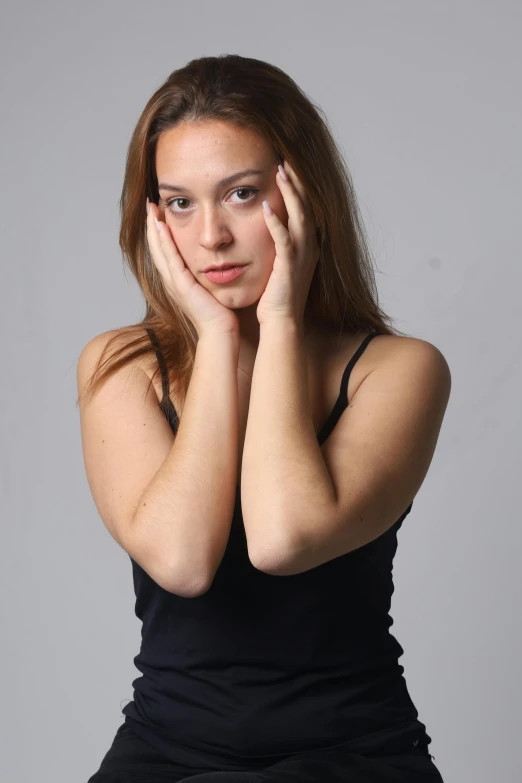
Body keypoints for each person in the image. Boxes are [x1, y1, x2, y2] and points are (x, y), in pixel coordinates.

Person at [77, 54, 451, 782]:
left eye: (241, 193)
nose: (210, 234)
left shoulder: (398, 369)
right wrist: (217, 338)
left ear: (302, 193)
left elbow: (283, 537)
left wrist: (277, 321)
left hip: (354, 754)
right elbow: (183, 561)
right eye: (179, 202)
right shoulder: (120, 365)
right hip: (165, 750)